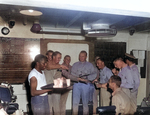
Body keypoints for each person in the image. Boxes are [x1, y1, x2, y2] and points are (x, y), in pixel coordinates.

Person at [71, 50, 97, 115]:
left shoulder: (90, 65)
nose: (81, 57)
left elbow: (94, 74)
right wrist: (79, 77)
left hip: (86, 85)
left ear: (86, 57)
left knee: (85, 102)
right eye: (80, 56)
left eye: (83, 56)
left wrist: (87, 78)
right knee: (75, 102)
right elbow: (72, 74)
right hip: (77, 84)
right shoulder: (75, 64)